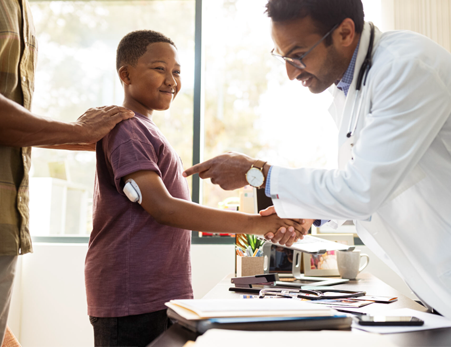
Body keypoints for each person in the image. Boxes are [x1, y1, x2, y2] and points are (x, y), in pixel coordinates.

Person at [182, 0, 451, 346]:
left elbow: (362, 189)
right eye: (282, 56)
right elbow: (375, 178)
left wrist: (257, 172)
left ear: (345, 32)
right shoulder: (354, 84)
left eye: (297, 56)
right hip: (447, 269)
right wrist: (314, 213)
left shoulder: (408, 68)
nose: (288, 72)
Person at [85, 30, 307, 347]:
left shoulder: (144, 129)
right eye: (160, 69)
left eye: (176, 72)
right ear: (126, 74)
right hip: (133, 297)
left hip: (154, 294)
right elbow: (164, 208)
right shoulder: (127, 128)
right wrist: (256, 225)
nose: (172, 80)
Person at [0, 0, 133, 346]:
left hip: (1, 226)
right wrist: (75, 131)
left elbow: (4, 114)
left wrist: (82, 139)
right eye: (159, 68)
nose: (170, 80)